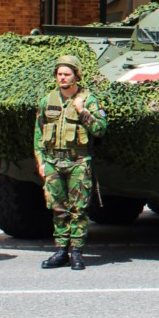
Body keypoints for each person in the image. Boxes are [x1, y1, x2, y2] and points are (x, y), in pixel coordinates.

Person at [34, 55, 107, 271]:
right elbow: (38, 134)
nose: (62, 78)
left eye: (67, 74)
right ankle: (60, 251)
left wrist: (82, 110)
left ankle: (76, 252)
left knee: (79, 209)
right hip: (53, 162)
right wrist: (40, 161)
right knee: (58, 208)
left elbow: (100, 129)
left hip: (78, 162)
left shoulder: (88, 99)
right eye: (59, 74)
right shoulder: (48, 101)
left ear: (76, 76)